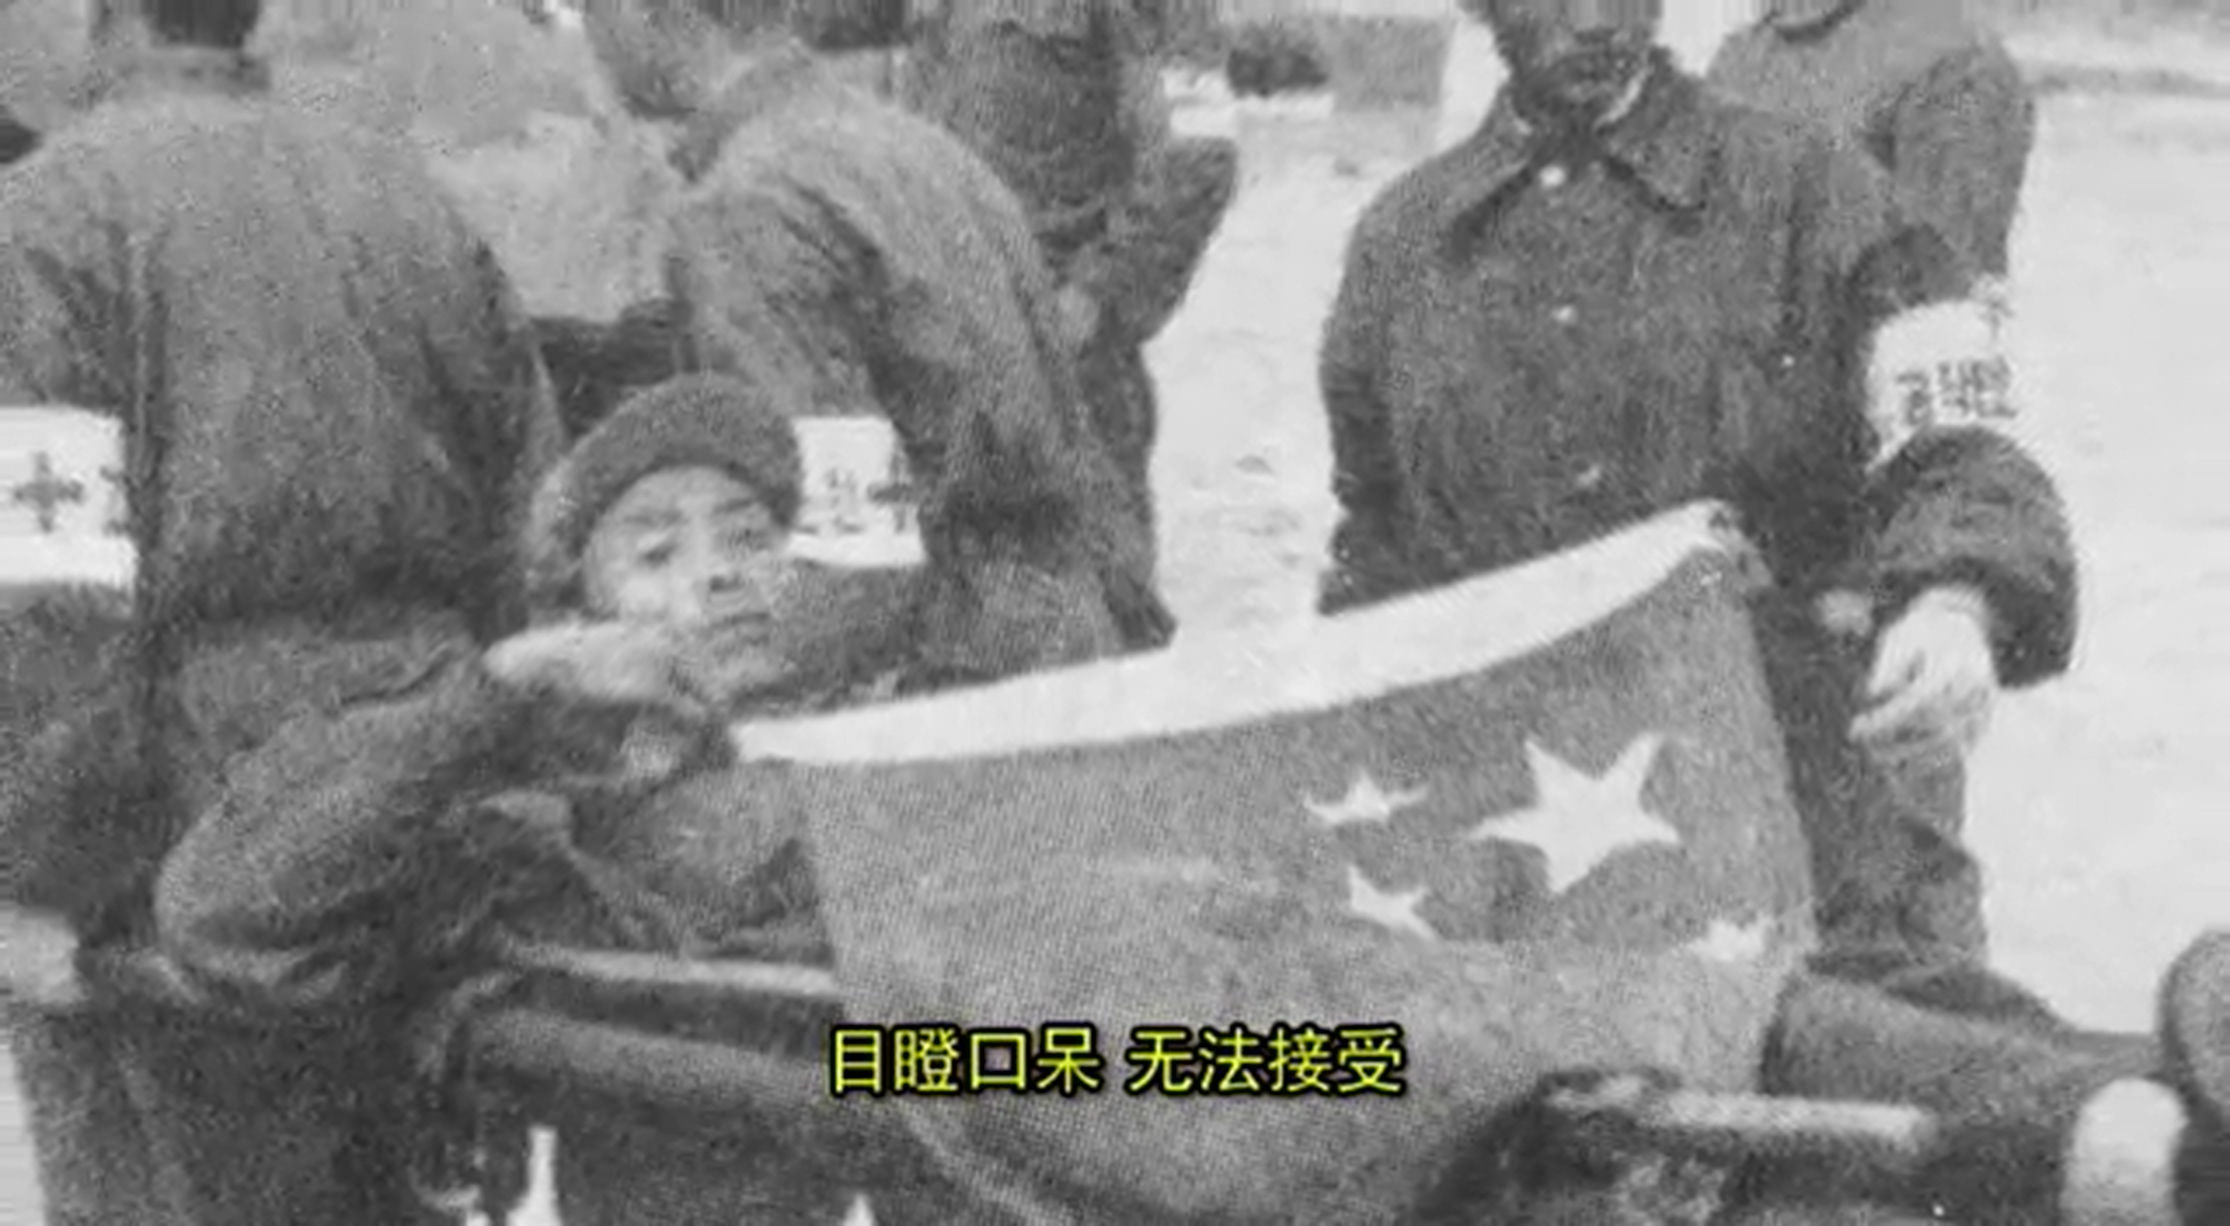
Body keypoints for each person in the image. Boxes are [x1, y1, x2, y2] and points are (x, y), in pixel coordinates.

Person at [0, 0, 565, 1219]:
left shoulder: (45, 219)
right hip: (416, 801)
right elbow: (536, 531)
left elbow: (51, 600)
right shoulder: (407, 198)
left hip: (184, 834)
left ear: (102, 17)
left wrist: (47, 889)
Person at [156, 373, 963, 1223]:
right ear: (582, 619)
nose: (722, 575)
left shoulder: (908, 757)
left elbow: (1017, 1059)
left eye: (751, 538)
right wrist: (504, 687)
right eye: (656, 554)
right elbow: (219, 913)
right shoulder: (536, 821)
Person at [586, 0, 1172, 695]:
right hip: (1065, 644)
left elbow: (853, 547)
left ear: (654, 14)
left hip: (937, 686)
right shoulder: (918, 148)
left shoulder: (740, 210)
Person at [1706, 0, 2041, 967]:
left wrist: (1930, 588)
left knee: (1890, 902)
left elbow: (1941, 348)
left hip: (1855, 568)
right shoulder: (1746, 52)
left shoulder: (1946, 63)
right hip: (1734, 556)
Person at [899, 0, 1238, 544]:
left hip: (1067, 377)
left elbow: (1199, 154)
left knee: (1087, 579)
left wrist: (1093, 296)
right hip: (940, 367)